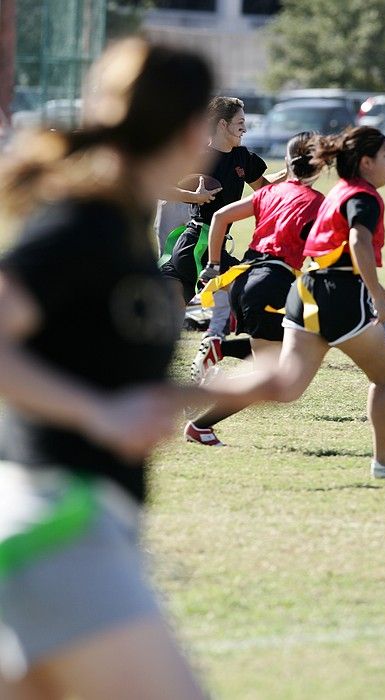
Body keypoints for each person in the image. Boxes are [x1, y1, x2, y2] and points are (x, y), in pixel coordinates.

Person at [0, 38, 282, 700]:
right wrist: (97, 413)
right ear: (195, 130)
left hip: (67, 526)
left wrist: (228, 386)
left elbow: (100, 372)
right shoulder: (86, 222)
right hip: (61, 524)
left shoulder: (125, 223)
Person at [274, 126, 385, 479]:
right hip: (339, 295)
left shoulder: (340, 190)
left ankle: (207, 398)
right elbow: (359, 242)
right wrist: (379, 297)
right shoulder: (364, 196)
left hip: (305, 289)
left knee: (285, 385)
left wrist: (382, 294)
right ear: (366, 162)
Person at [185, 132, 325, 446]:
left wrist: (215, 263)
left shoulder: (270, 193)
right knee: (275, 379)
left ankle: (221, 349)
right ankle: (200, 424)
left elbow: (220, 216)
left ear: (287, 164)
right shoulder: (318, 203)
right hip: (270, 286)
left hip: (245, 279)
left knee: (289, 352)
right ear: (321, 167)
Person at [160, 96, 286, 374]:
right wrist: (193, 196)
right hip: (197, 243)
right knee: (247, 288)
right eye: (240, 123)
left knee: (171, 313)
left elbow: (264, 190)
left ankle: (211, 348)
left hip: (207, 243)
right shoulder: (198, 157)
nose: (244, 128)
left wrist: (292, 174)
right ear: (222, 124)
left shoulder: (243, 157)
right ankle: (224, 349)